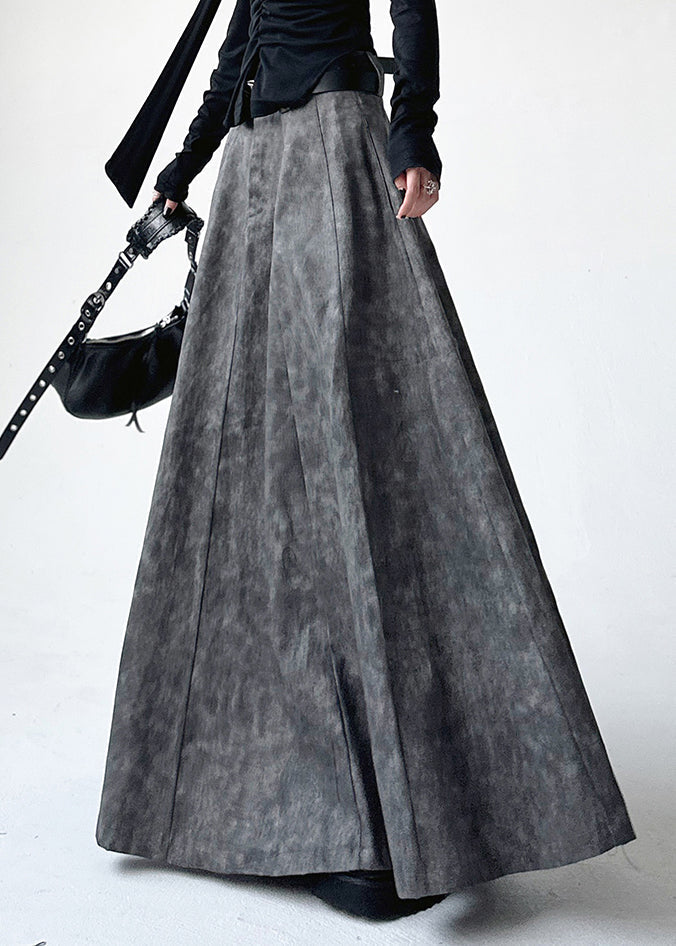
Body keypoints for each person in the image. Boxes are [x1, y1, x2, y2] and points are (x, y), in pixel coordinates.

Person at [95, 0, 636, 924]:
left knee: (363, 453)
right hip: (251, 175)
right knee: (242, 474)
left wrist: (411, 130)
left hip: (334, 152)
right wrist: (183, 170)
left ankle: (401, 810)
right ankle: (279, 797)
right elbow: (240, 45)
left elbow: (410, 4)